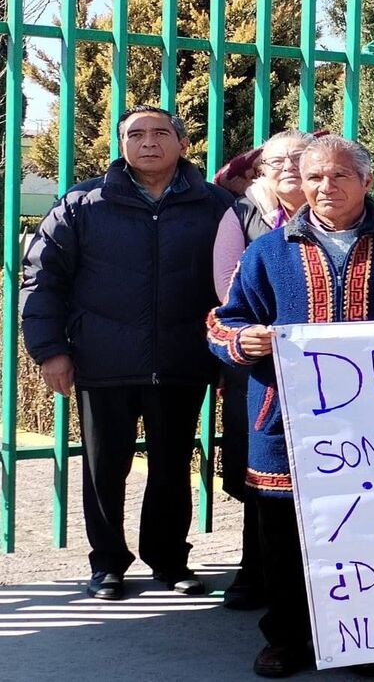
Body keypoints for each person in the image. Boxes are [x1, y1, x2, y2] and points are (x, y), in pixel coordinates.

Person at [207, 134, 374, 677]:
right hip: (284, 423)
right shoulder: (269, 251)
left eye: (340, 175)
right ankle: (289, 639)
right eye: (314, 176)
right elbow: (225, 319)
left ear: (366, 181)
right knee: (287, 537)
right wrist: (243, 342)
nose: (326, 186)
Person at [21, 105, 233, 601]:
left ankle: (168, 560)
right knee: (103, 467)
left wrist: (225, 356)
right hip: (102, 358)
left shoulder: (216, 206)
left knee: (173, 466)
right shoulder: (82, 204)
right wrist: (51, 350)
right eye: (135, 134)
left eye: (161, 132)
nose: (149, 142)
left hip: (182, 359)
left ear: (183, 144)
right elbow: (42, 278)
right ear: (122, 146)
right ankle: (108, 562)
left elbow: (237, 285)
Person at [210, 129, 314, 610]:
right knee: (260, 474)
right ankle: (254, 571)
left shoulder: (341, 212)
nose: (289, 167)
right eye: (276, 161)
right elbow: (229, 293)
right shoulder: (242, 215)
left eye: (299, 158)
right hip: (261, 366)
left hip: (331, 371)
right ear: (260, 171)